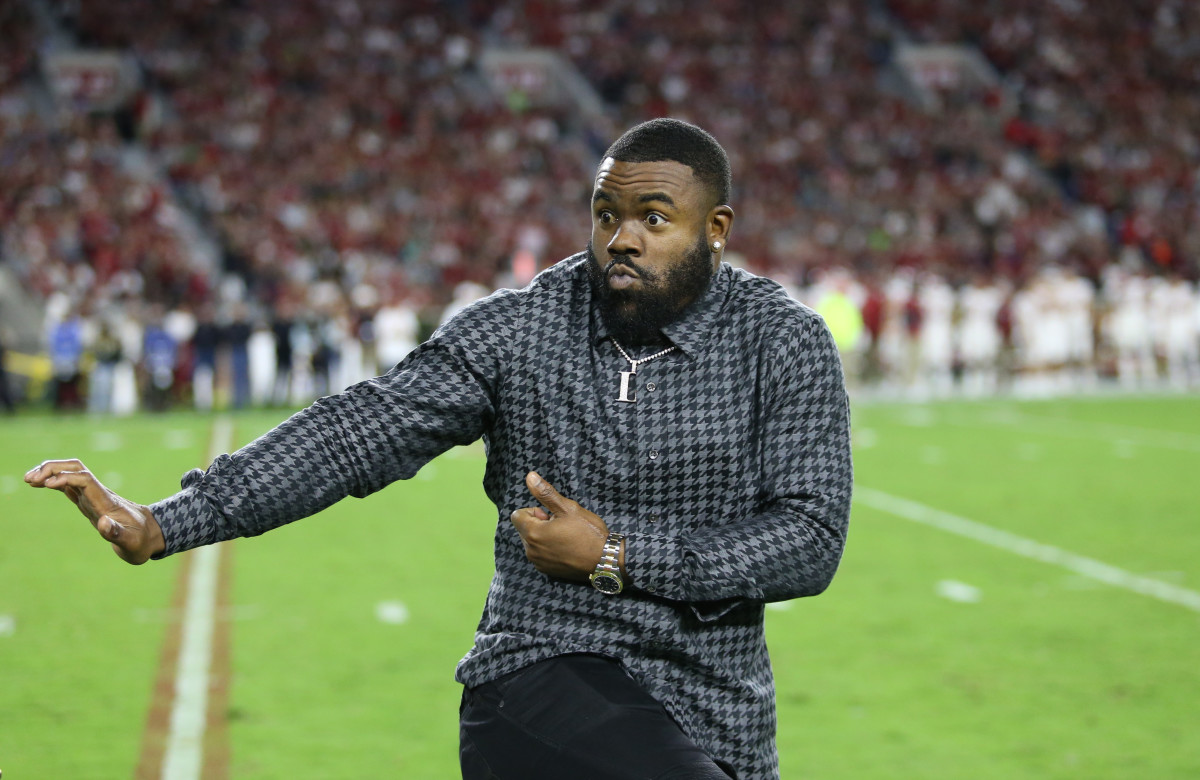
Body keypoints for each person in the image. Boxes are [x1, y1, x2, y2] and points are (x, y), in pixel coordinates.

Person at [25, 119, 853, 779]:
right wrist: (170, 521)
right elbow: (359, 431)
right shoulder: (520, 327)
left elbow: (811, 540)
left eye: (653, 219)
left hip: (719, 710)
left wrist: (619, 555)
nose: (622, 240)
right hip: (538, 673)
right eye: (606, 215)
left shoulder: (783, 343)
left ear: (716, 229)